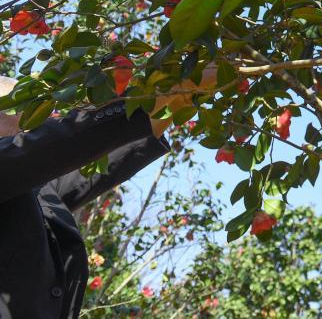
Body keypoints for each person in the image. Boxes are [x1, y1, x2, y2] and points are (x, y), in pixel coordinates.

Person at [0, 66, 215, 319]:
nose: (39, 122)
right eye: (26, 113)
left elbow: (95, 166)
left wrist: (179, 98)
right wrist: (170, 87)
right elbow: (57, 144)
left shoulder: (35, 190)